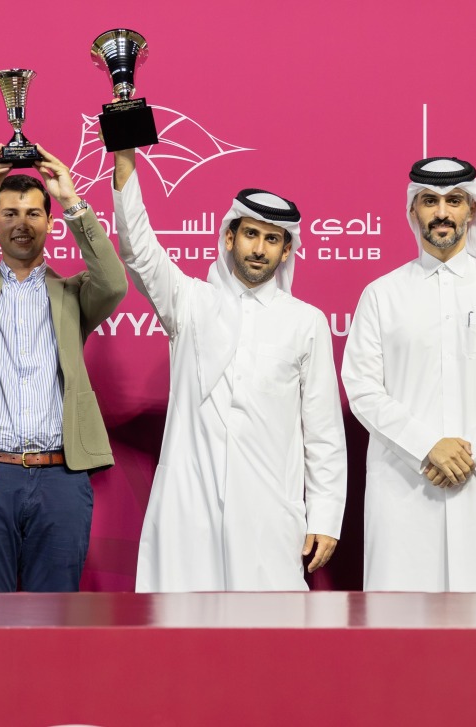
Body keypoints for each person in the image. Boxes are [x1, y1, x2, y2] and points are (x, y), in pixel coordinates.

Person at [111, 147, 346, 593]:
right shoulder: (189, 301)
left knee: (267, 644)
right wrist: (125, 162)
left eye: (272, 239)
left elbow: (323, 433)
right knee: (179, 638)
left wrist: (327, 516)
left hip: (268, 511)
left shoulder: (305, 321)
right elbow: (138, 249)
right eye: (251, 234)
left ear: (286, 249)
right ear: (228, 238)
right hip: (189, 504)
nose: (259, 249)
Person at [343, 157, 476, 592]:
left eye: (454, 201)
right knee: (400, 631)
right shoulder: (382, 295)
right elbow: (362, 388)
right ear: (412, 211)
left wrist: (467, 454)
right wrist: (426, 447)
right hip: (406, 483)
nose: (442, 213)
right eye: (429, 201)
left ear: (472, 210)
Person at [0, 145, 127, 592]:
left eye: (35, 213)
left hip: (61, 476)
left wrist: (73, 201)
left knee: (56, 619)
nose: (22, 222)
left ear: (50, 224)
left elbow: (114, 283)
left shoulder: (74, 293)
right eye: (11, 213)